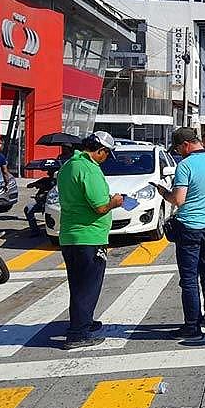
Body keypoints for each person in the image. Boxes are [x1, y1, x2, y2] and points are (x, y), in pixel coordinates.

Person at [156, 127, 205, 340]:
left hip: (189, 228)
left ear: (186, 144)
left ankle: (192, 326)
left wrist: (163, 192)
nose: (178, 152)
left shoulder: (185, 166)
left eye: (178, 148)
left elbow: (178, 200)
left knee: (188, 278)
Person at [56, 131, 124, 349]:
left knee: (78, 284)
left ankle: (83, 321)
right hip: (89, 236)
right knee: (89, 286)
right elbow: (100, 206)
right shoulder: (89, 169)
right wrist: (115, 202)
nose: (106, 159)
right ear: (101, 151)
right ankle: (78, 333)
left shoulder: (68, 166)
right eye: (106, 154)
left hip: (70, 236)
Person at [25, 168, 57, 236]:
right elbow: (29, 185)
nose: (49, 173)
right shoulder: (44, 179)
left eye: (51, 171)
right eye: (49, 171)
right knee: (28, 209)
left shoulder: (57, 182)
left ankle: (52, 228)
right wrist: (35, 184)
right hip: (40, 202)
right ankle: (35, 230)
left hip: (51, 202)